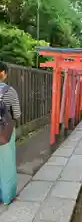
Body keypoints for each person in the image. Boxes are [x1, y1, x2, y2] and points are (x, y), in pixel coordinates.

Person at [0, 62, 21, 205]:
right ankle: (7, 197)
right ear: (4, 73)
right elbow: (17, 114)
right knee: (6, 165)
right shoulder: (10, 91)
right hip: (4, 133)